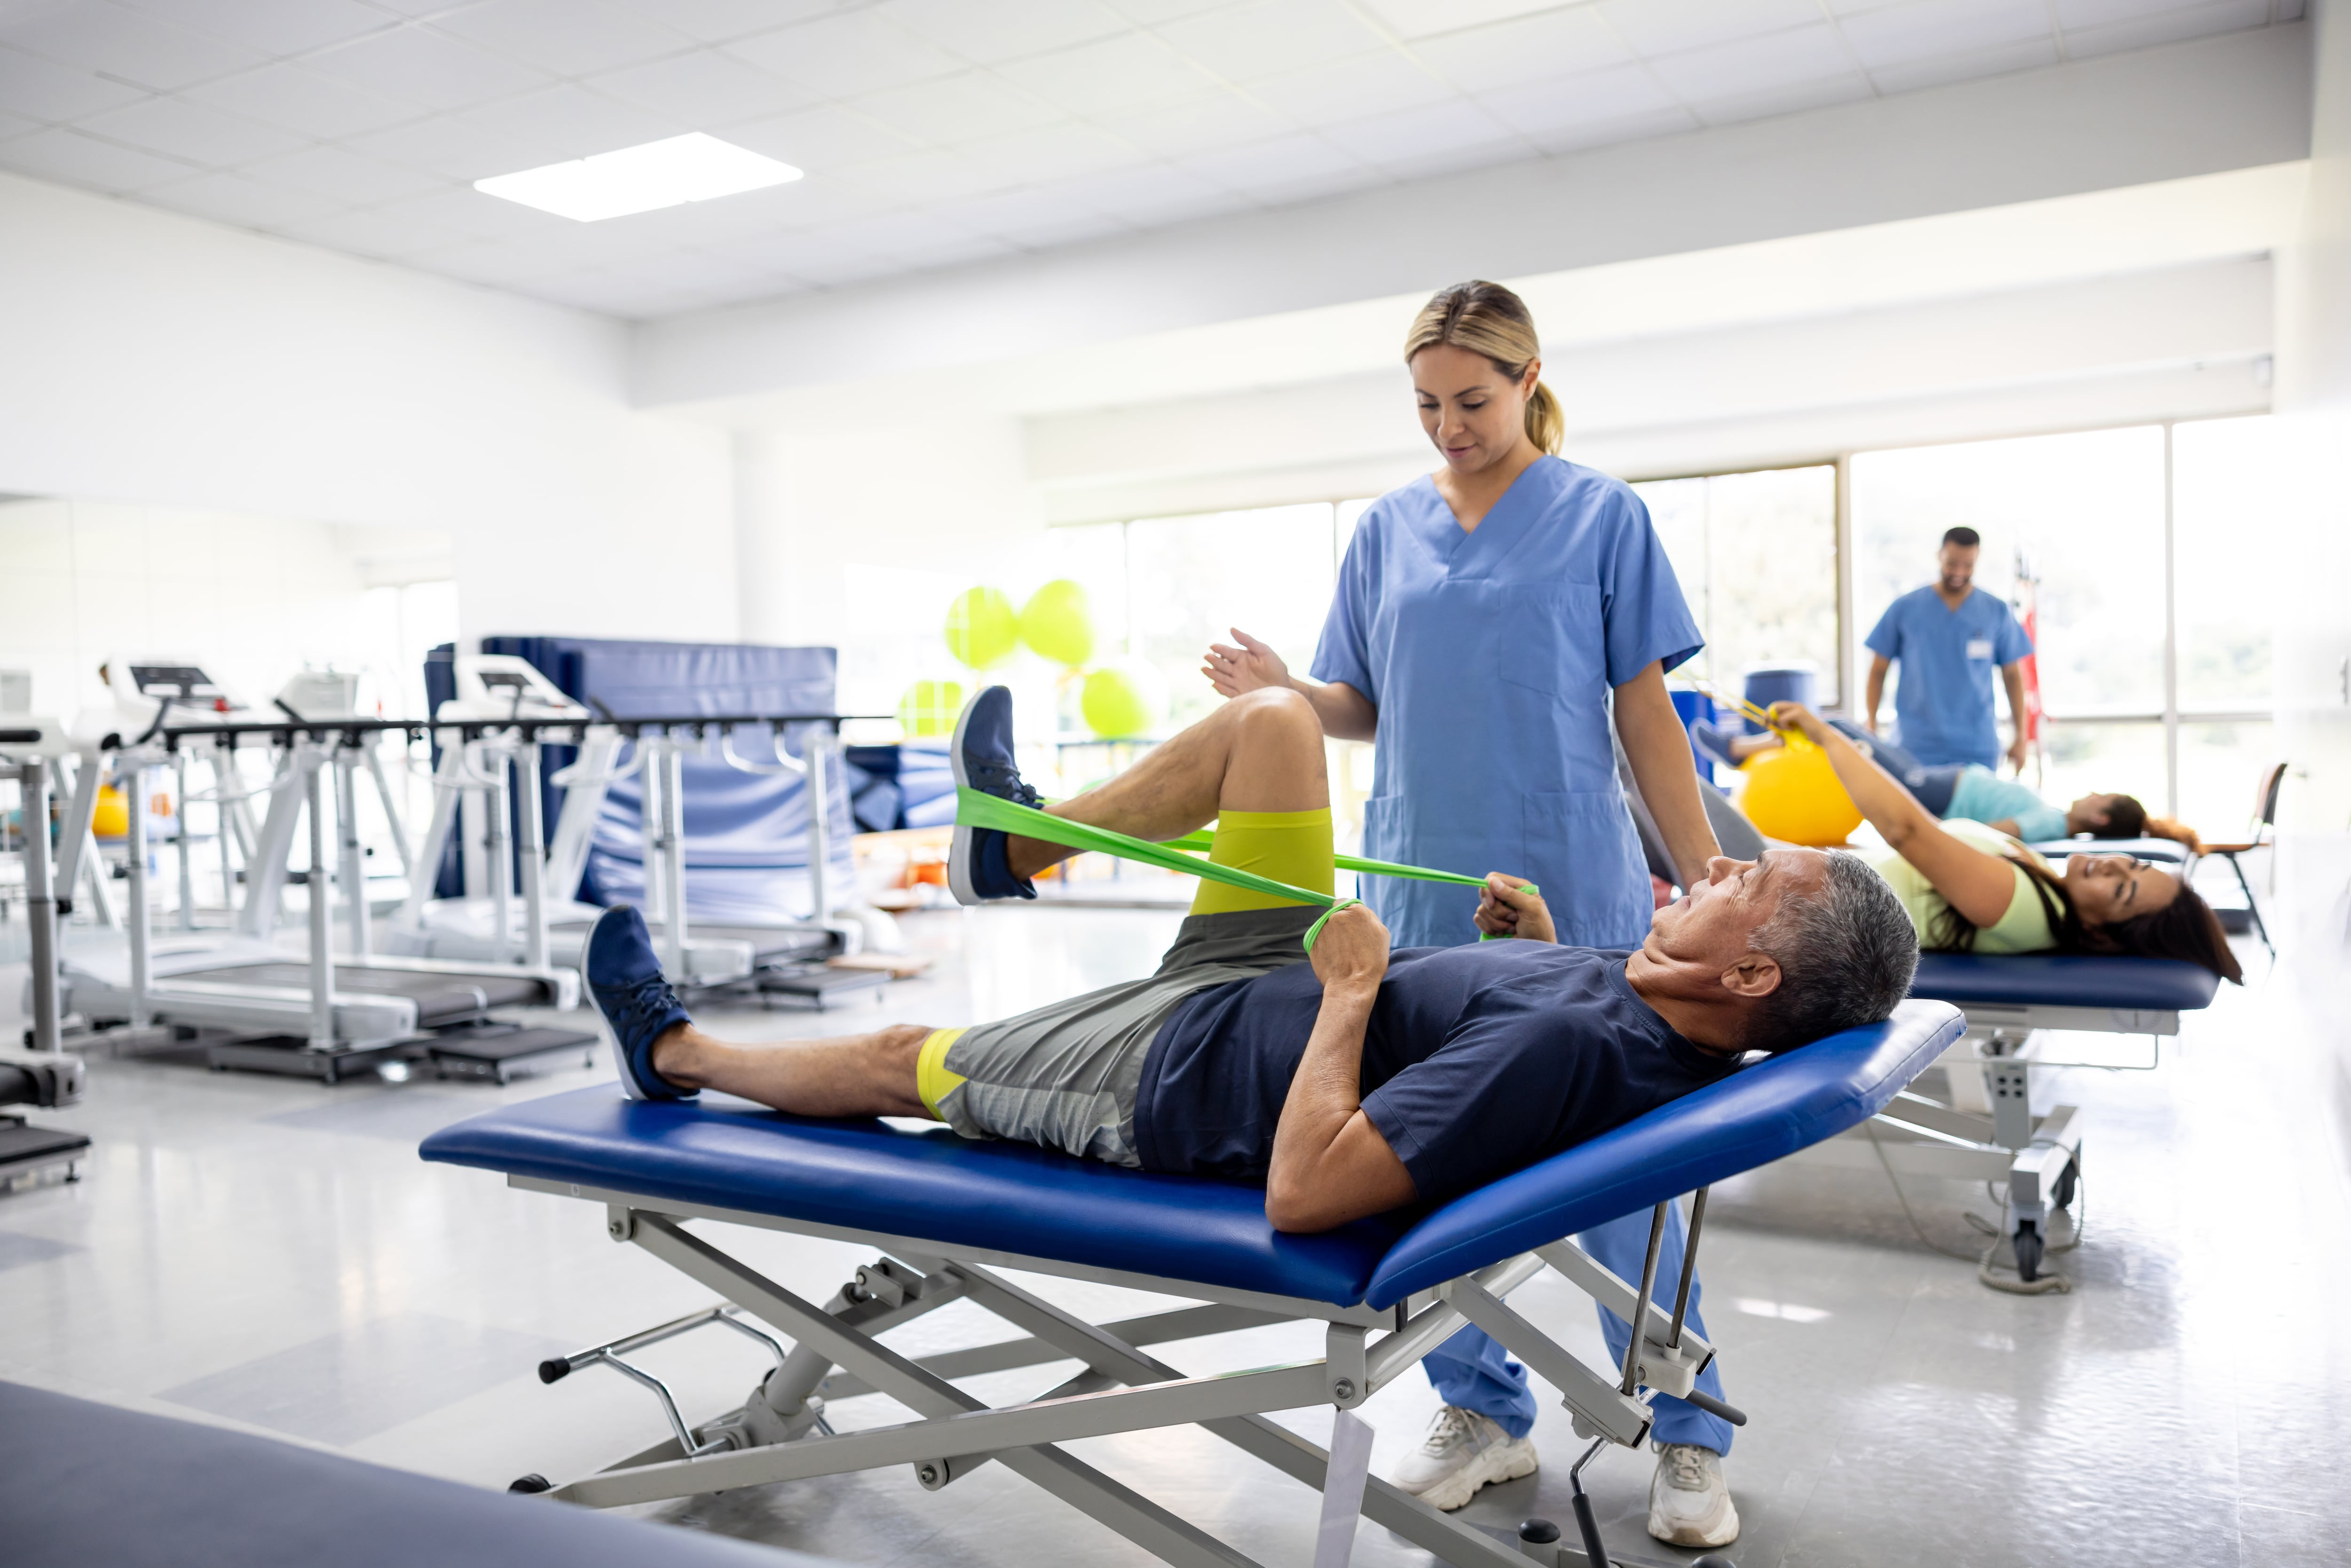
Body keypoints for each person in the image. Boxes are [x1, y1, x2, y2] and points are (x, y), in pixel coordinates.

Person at [582, 677, 1918, 1330]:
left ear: (1751, 978)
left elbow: (1309, 1190)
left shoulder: (1573, 1039)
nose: (1719, 861)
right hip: (1264, 974)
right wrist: (1541, 945)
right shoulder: (1636, 993)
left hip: (1176, 1069)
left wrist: (1351, 991)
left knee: (899, 1053)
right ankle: (1016, 841)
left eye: (1751, 880)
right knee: (1273, 719)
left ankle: (677, 1050)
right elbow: (1521, 1030)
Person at [1198, 279, 1745, 1545]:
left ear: (1528, 378)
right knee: (1416, 1152)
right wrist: (1287, 688)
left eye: (1473, 400)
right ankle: (1480, 1406)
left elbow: (1645, 714)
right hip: (1417, 879)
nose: (1449, 425)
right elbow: (1363, 703)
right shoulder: (1385, 529)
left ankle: (1690, 1420)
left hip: (1569, 877)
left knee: (1621, 1171)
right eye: (1426, 405)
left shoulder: (1603, 516)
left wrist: (1707, 871)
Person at [1765, 701, 2241, 981]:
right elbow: (1921, 838)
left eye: (2121, 890)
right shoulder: (2045, 881)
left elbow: (1907, 831)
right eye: (2133, 864)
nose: (2114, 866)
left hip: (1791, 905)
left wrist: (1827, 736)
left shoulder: (2025, 907)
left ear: (2101, 933)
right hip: (1802, 877)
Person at [1692, 716, 2203, 850]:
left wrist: (1924, 833)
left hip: (1931, 791)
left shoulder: (2051, 823)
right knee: (1843, 732)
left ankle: (1739, 750)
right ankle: (1740, 750)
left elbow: (1989, 834)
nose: (2091, 792)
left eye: (2100, 796)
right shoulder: (2054, 817)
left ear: (2100, 816)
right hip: (1934, 781)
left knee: (1840, 732)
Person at [1863, 527, 2035, 773]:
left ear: (1977, 560)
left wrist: (2020, 736)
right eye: (1952, 564)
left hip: (1977, 745)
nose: (1959, 572)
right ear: (1939, 556)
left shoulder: (1995, 611)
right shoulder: (1906, 608)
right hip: (1916, 745)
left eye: (1968, 565)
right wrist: (1871, 723)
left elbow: (2013, 675)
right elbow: (1879, 669)